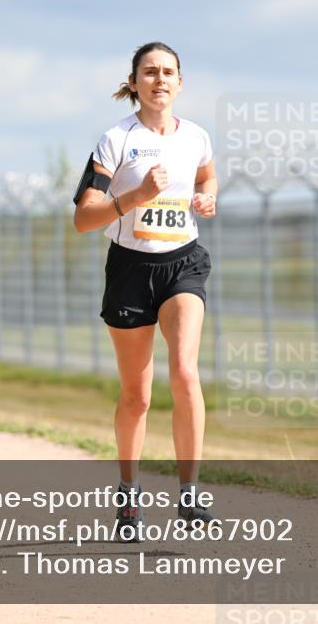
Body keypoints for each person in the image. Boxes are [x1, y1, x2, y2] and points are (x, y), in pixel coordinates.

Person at [73, 41, 218, 540]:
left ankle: (191, 493)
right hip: (131, 269)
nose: (160, 79)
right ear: (133, 82)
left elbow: (208, 175)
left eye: (169, 72)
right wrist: (136, 196)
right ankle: (130, 494)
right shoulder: (116, 139)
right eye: (149, 72)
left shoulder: (196, 136)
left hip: (183, 263)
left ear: (180, 83)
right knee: (137, 396)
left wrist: (206, 198)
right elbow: (82, 219)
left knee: (184, 371)